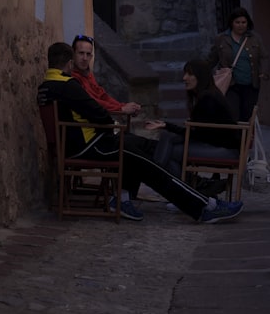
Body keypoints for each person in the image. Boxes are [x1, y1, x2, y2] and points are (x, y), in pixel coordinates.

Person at [38, 41, 244, 224]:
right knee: (146, 163)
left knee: (141, 146)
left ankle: (123, 198)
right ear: (69, 63)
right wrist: (111, 123)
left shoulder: (45, 86)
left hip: (83, 144)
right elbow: (97, 113)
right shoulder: (68, 85)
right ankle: (204, 207)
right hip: (91, 146)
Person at [145, 59, 241, 182]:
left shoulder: (208, 99)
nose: (184, 78)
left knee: (170, 152)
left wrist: (168, 126)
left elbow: (198, 135)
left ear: (200, 76)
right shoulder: (207, 95)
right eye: (184, 73)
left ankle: (170, 185)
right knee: (167, 138)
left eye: (189, 74)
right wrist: (166, 126)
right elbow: (200, 132)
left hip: (225, 150)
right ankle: (185, 188)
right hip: (214, 144)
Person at [207, 7, 268, 121]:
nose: (241, 25)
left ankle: (245, 139)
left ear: (248, 23)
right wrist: (200, 72)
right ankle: (235, 138)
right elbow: (211, 59)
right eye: (237, 22)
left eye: (243, 22)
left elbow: (264, 57)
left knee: (247, 116)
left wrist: (263, 72)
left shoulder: (254, 38)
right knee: (232, 114)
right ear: (232, 23)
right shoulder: (221, 39)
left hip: (251, 85)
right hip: (231, 85)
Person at [69, 34, 141, 117]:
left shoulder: (88, 74)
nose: (85, 58)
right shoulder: (71, 77)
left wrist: (123, 106)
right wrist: (120, 109)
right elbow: (93, 102)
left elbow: (102, 95)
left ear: (91, 56)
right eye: (81, 53)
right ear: (73, 54)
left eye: (88, 54)